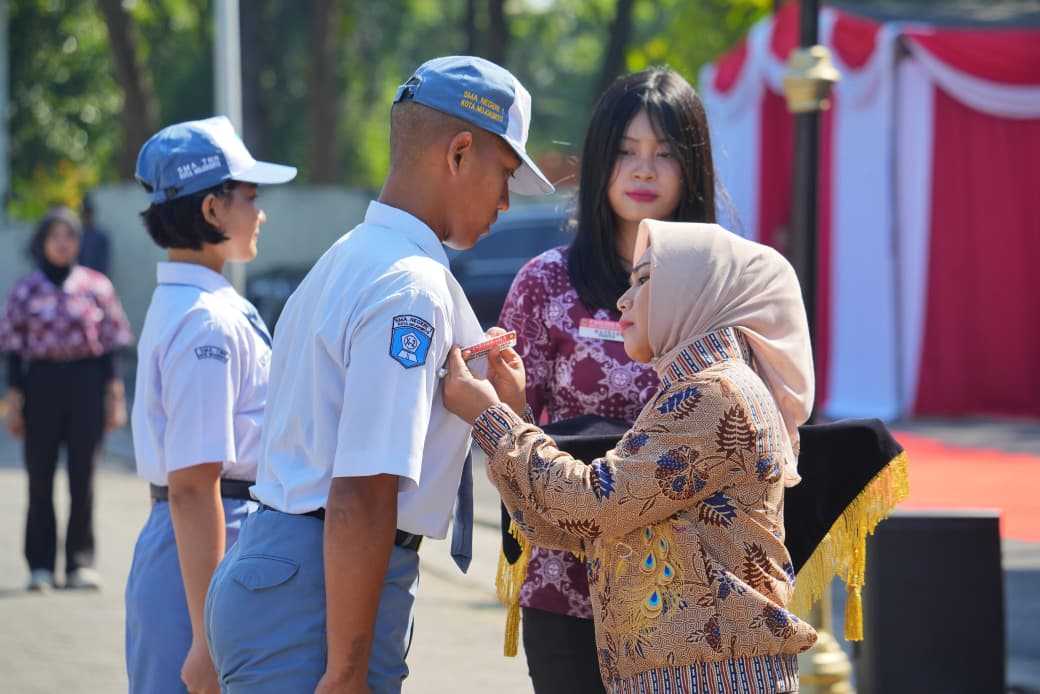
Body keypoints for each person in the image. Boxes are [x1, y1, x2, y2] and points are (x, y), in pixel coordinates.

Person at [204, 55, 554, 694]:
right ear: (457, 154)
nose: (506, 201)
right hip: (319, 595)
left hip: (296, 569)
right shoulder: (410, 286)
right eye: (504, 174)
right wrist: (344, 671)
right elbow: (363, 489)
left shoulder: (352, 255)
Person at [445, 218, 819, 693]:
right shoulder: (692, 390)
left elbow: (591, 503)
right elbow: (566, 526)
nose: (623, 299)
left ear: (695, 291)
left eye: (645, 280)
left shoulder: (715, 394)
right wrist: (511, 416)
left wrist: (495, 421)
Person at [496, 67, 717, 691]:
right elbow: (512, 430)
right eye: (626, 152)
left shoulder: (718, 289)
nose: (643, 170)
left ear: (693, 168)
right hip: (566, 583)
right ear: (598, 161)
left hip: (688, 594)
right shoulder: (545, 283)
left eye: (665, 153)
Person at [124, 116, 296, 694]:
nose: (260, 212)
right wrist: (205, 637)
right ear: (212, 210)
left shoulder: (201, 304)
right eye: (249, 196)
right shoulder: (206, 323)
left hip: (201, 545)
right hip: (202, 552)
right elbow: (193, 485)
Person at [0, 206, 132, 592]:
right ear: (42, 242)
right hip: (40, 384)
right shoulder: (25, 290)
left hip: (86, 384)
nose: (62, 243)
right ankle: (39, 565)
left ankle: (79, 563)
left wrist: (114, 396)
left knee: (83, 476)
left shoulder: (96, 286)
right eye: (55, 236)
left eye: (70, 236)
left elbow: (110, 347)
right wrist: (14, 401)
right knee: (39, 477)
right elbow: (11, 351)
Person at [78, 193, 112, 276]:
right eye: (84, 213)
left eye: (88, 213)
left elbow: (104, 264)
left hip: (96, 280)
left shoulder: (101, 236)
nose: (86, 216)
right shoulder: (76, 235)